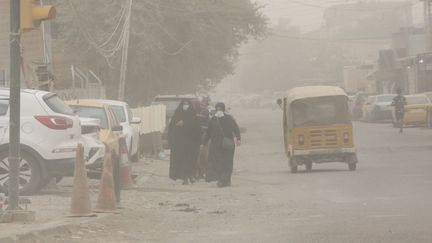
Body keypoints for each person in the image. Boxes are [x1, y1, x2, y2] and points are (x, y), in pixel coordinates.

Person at [203, 102, 241, 187]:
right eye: (218, 108)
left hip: (227, 145)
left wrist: (238, 139)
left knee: (227, 163)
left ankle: (227, 180)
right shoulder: (213, 119)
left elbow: (236, 128)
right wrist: (204, 143)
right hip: (216, 146)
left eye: (220, 108)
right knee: (218, 163)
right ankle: (221, 180)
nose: (219, 110)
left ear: (223, 109)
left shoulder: (229, 118)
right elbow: (208, 132)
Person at [168, 100, 202, 185]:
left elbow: (198, 130)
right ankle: (185, 178)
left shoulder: (193, 116)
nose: (186, 106)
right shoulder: (176, 117)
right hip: (180, 144)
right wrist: (177, 126)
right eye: (184, 104)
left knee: (191, 160)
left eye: (187, 104)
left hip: (192, 144)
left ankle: (191, 175)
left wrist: (185, 124)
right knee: (182, 161)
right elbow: (171, 130)